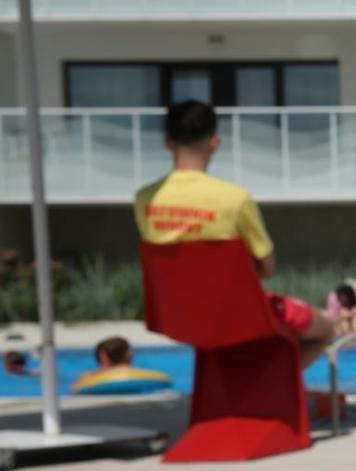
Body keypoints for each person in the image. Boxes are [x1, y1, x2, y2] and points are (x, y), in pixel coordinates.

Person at [135, 100, 334, 369]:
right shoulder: (235, 199)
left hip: (180, 318)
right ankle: (271, 382)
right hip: (239, 316)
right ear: (214, 143)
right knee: (326, 329)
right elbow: (267, 268)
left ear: (168, 142)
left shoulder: (145, 200)